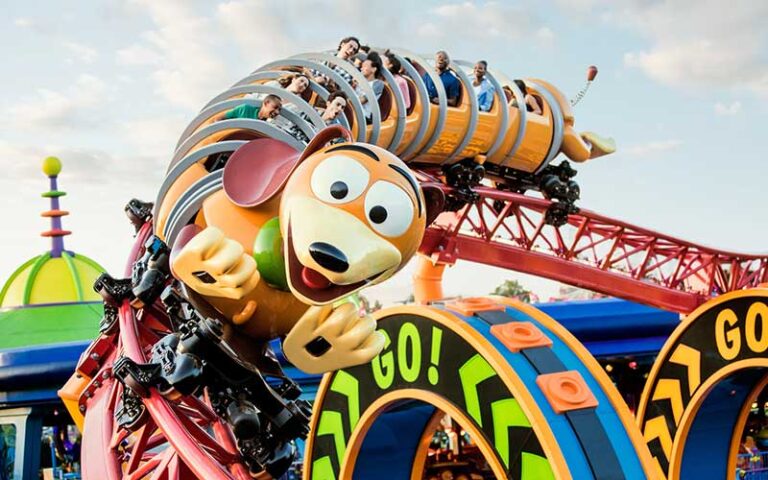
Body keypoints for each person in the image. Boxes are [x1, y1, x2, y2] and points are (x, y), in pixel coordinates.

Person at [212, 94, 282, 122]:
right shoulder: (245, 109)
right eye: (275, 107)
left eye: (279, 109)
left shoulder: (270, 126)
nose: (277, 112)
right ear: (266, 103)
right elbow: (218, 119)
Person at [359, 51, 385, 123]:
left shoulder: (378, 84)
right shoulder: (358, 81)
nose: (361, 69)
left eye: (365, 67)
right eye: (361, 66)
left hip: (363, 116)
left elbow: (362, 101)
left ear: (374, 69)